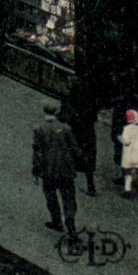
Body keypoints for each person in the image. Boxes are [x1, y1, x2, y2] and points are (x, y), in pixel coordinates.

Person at [34, 102, 80, 235]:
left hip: (48, 169)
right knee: (68, 197)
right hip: (66, 168)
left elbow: (37, 152)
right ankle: (70, 222)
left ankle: (57, 222)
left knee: (51, 195)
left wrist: (36, 170)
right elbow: (75, 149)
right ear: (57, 112)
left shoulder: (39, 129)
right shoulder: (66, 128)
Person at [61, 77, 99, 196]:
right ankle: (90, 185)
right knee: (88, 155)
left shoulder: (70, 99)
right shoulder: (90, 99)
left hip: (76, 129)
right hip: (88, 129)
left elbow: (66, 115)